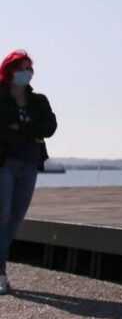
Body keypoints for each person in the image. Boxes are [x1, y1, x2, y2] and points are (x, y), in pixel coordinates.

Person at [0, 50, 57, 295]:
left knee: (15, 219)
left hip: (30, 163)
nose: (27, 72)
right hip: (4, 164)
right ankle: (0, 273)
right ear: (10, 71)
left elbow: (50, 127)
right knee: (2, 215)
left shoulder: (39, 101)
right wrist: (31, 130)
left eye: (29, 68)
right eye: (22, 68)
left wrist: (19, 127)